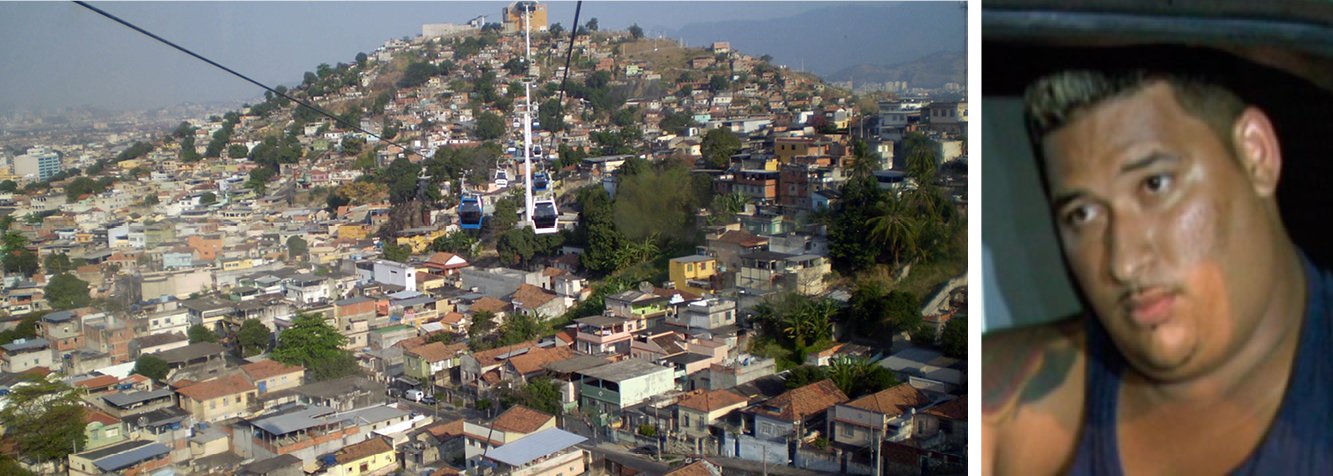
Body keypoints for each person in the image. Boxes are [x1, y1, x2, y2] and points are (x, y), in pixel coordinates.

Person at [982, 69, 1333, 474]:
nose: (1123, 262)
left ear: (1256, 154)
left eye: (1155, 185)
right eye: (1083, 214)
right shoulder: (1005, 413)